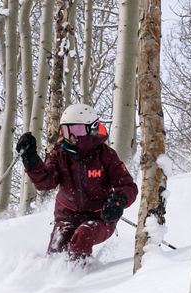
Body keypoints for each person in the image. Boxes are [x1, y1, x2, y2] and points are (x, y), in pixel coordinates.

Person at [16, 104, 138, 261]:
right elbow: (45, 183)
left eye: (77, 130)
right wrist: (30, 159)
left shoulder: (105, 155)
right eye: (67, 131)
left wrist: (118, 201)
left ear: (91, 129)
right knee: (57, 248)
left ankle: (77, 279)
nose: (72, 137)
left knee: (82, 236)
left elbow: (128, 186)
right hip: (68, 216)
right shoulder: (60, 155)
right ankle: (50, 279)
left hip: (101, 217)